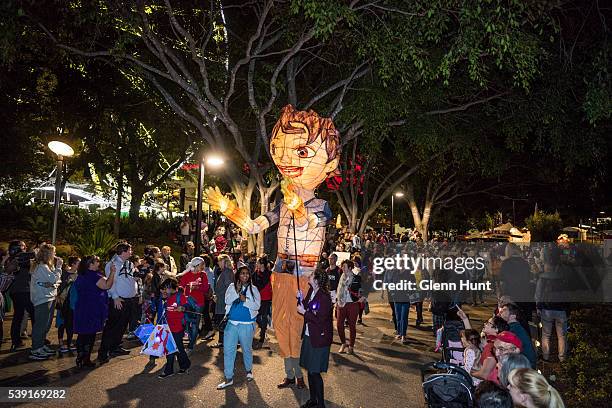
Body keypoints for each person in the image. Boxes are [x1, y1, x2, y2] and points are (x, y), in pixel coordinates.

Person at [217, 265, 261, 389]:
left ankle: (249, 371)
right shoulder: (232, 287)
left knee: (246, 349)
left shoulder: (254, 289)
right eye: (242, 273)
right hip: (232, 324)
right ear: (238, 275)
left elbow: (257, 306)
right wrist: (237, 293)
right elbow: (227, 300)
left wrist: (245, 300)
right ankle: (228, 377)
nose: (245, 276)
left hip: (247, 325)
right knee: (229, 351)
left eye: (247, 273)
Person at [297, 268, 333, 408]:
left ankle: (321, 404)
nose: (309, 276)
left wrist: (304, 312)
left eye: (312, 275)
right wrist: (300, 298)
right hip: (309, 336)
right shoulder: (312, 292)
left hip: (319, 339)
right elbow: (307, 307)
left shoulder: (324, 297)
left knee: (314, 372)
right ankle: (313, 400)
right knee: (309, 370)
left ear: (317, 280)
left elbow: (320, 319)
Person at [98, 242, 138, 363]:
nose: (131, 252)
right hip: (119, 300)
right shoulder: (113, 264)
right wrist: (115, 297)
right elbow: (111, 282)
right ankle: (103, 352)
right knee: (112, 327)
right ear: (124, 251)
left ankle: (115, 347)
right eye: (130, 250)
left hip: (129, 300)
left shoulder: (128, 263)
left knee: (121, 326)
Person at [73, 256, 116, 368]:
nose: (99, 263)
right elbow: (107, 285)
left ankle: (80, 357)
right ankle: (85, 359)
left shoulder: (82, 275)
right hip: (92, 308)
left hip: (82, 306)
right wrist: (112, 273)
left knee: (83, 334)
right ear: (90, 264)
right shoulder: (93, 276)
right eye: (97, 262)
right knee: (89, 334)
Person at [29, 244, 62, 360]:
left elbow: (56, 282)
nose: (55, 255)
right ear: (48, 254)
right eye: (54, 253)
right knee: (40, 325)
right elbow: (54, 279)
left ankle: (41, 345)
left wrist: (54, 283)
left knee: (46, 325)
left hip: (49, 297)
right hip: (42, 299)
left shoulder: (47, 266)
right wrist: (59, 268)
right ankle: (35, 349)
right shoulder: (42, 267)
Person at [157, 277, 192, 378]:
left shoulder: (180, 297)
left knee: (173, 348)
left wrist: (183, 308)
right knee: (177, 348)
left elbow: (189, 307)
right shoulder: (165, 298)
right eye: (163, 288)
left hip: (177, 327)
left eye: (166, 288)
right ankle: (185, 365)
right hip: (167, 328)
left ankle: (169, 370)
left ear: (171, 288)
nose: (164, 290)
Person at [6, 240, 35, 352]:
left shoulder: (28, 258)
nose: (24, 248)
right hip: (21, 291)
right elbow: (7, 270)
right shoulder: (12, 259)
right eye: (23, 246)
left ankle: (16, 341)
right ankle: (36, 341)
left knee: (19, 315)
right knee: (31, 315)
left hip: (22, 291)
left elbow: (32, 271)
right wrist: (15, 261)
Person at [178, 256, 209, 353]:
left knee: (195, 324)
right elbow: (180, 287)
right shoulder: (187, 275)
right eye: (201, 264)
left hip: (199, 303)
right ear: (196, 265)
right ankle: (191, 338)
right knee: (186, 322)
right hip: (188, 302)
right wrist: (183, 289)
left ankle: (191, 345)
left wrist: (196, 287)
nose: (203, 266)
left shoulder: (203, 275)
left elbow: (205, 288)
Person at [336, 260, 365, 354]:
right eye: (342, 266)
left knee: (352, 326)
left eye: (344, 266)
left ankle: (351, 346)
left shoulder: (357, 278)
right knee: (339, 325)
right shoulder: (341, 277)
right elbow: (339, 289)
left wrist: (363, 297)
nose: (342, 268)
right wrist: (337, 300)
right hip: (341, 304)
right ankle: (343, 343)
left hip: (353, 304)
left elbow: (364, 289)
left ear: (349, 268)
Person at [499, 302, 537, 368]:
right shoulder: (515, 326)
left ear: (513, 316)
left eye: (504, 310)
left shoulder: (514, 330)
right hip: (525, 362)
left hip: (525, 366)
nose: (501, 311)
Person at [56, 256, 80, 353]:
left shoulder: (78, 275)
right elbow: (58, 286)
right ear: (73, 264)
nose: (80, 265)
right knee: (62, 323)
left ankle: (69, 343)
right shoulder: (64, 274)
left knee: (70, 323)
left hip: (72, 303)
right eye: (78, 263)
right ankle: (61, 343)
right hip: (63, 301)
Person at [211, 254, 234, 348]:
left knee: (222, 322)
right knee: (223, 322)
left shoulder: (227, 272)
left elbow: (229, 288)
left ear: (224, 262)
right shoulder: (226, 272)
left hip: (223, 302)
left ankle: (222, 342)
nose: (218, 263)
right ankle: (223, 341)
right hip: (222, 301)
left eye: (220, 261)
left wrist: (218, 296)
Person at [253, 256, 272, 348]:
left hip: (266, 298)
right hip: (257, 298)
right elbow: (253, 285)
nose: (257, 264)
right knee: (256, 315)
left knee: (264, 316)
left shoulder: (269, 274)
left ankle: (263, 334)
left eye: (258, 263)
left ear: (262, 264)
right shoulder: (255, 274)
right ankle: (263, 328)